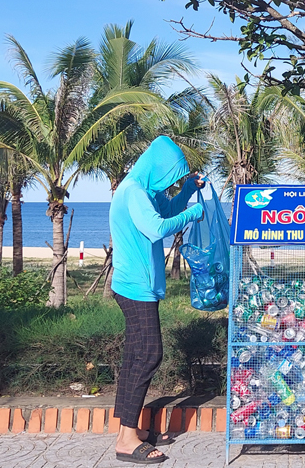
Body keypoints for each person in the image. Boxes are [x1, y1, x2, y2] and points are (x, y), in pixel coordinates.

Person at [109, 135, 205, 464]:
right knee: (150, 355)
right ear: (156, 168)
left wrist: (188, 190)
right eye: (170, 176)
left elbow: (169, 209)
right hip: (135, 288)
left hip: (138, 287)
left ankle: (127, 430)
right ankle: (126, 440)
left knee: (136, 358)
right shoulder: (134, 192)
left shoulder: (147, 191)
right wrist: (194, 214)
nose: (170, 182)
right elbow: (156, 228)